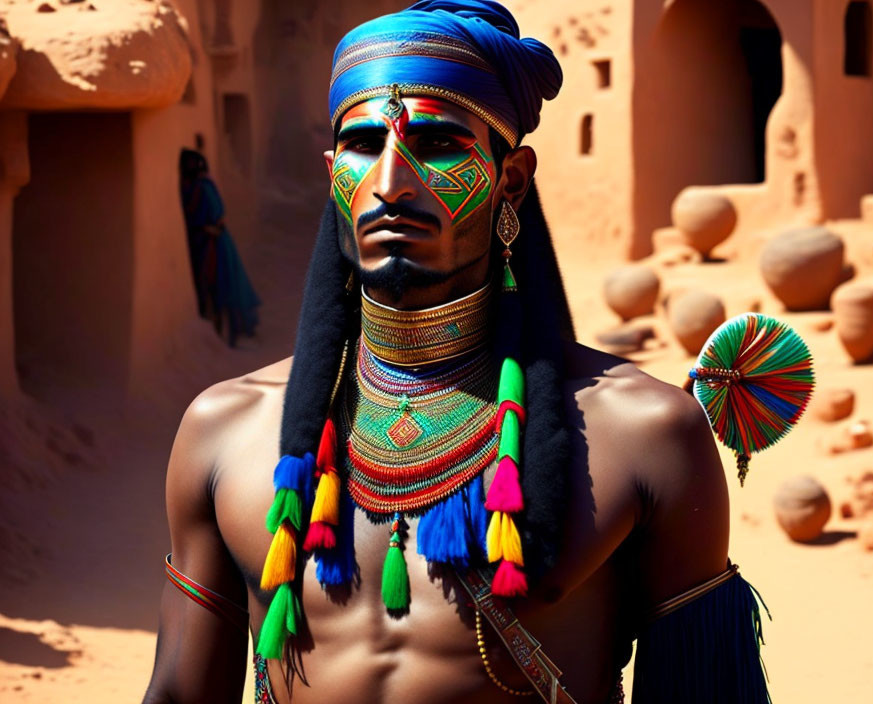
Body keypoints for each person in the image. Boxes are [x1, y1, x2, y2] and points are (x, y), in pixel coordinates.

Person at [146, 3, 771, 702]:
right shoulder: (224, 430)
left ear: (512, 177)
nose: (390, 184)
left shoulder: (646, 433)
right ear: (332, 172)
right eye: (361, 145)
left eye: (438, 145)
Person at [179, 148, 261, 347]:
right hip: (209, 241)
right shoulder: (198, 186)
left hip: (214, 242)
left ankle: (224, 333)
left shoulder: (202, 186)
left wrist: (209, 229)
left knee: (219, 284)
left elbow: (214, 216)